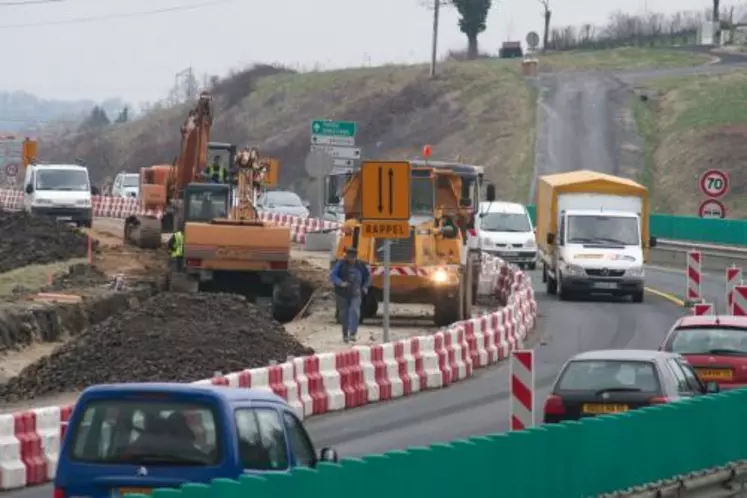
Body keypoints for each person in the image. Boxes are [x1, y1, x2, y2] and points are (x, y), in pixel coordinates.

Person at [329, 247, 370, 343]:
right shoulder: (340, 264)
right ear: (346, 256)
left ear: (356, 257)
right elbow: (333, 275)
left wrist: (365, 287)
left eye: (353, 257)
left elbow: (367, 277)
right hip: (342, 294)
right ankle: (345, 334)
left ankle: (352, 333)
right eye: (349, 257)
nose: (351, 259)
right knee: (344, 314)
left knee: (355, 311)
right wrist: (340, 283)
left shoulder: (361, 265)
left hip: (356, 293)